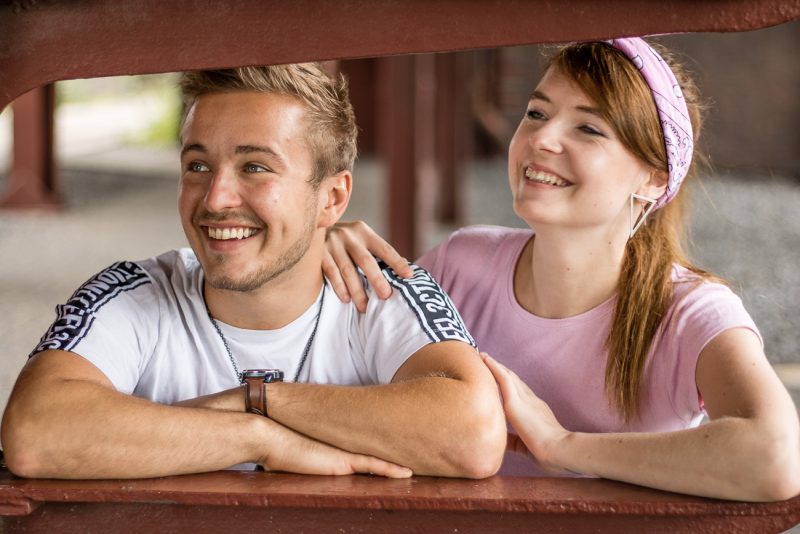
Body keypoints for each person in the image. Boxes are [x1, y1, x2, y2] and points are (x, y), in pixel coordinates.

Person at [322, 38, 800, 501]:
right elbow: (333, 370)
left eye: (588, 129)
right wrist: (315, 246)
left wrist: (563, 446)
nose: (541, 139)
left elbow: (777, 456)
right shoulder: (460, 264)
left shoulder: (691, 311)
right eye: (536, 113)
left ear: (654, 179)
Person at [0, 64, 506, 480]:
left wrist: (256, 397)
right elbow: (34, 432)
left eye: (255, 167)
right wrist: (259, 435)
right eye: (198, 165)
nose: (216, 199)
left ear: (332, 197)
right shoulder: (134, 291)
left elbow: (473, 436)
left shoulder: (379, 289)